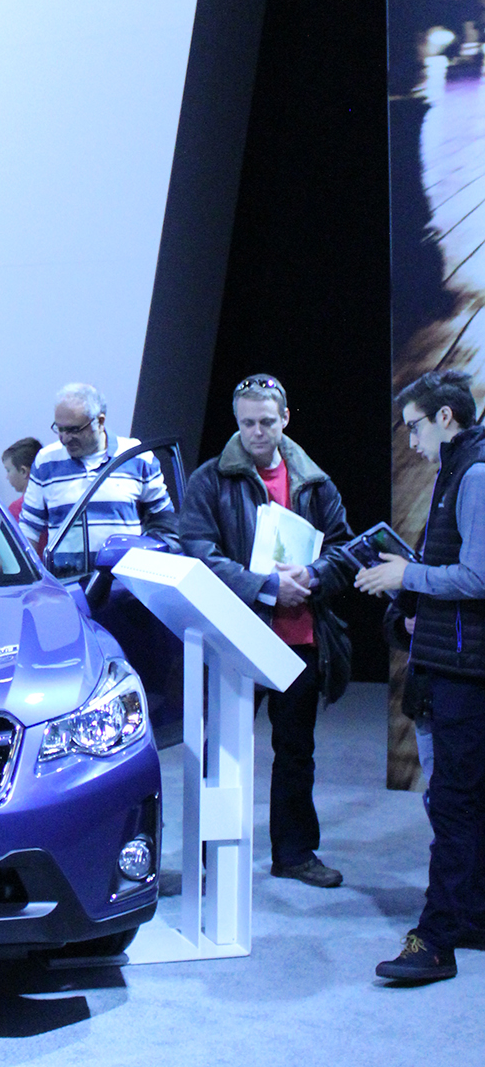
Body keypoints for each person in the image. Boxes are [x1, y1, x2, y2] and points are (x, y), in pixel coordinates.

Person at [180, 372, 353, 887]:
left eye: (266, 422)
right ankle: (210, 859)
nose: (256, 432)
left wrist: (314, 576)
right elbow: (198, 552)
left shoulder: (315, 482)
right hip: (238, 638)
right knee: (221, 751)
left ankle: (295, 854)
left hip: (300, 640)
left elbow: (345, 550)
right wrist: (266, 587)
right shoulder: (210, 480)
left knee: (297, 751)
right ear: (237, 422)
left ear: (285, 419)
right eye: (247, 423)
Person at [356, 369, 485, 985]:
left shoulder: (474, 474)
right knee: (464, 803)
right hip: (452, 664)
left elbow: (479, 577)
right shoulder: (458, 471)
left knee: (454, 806)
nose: (409, 442)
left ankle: (434, 942)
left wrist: (406, 577)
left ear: (445, 418)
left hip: (465, 673)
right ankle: (470, 917)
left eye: (414, 427)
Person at [18, 382, 177, 562]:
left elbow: (164, 521)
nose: (65, 438)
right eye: (60, 429)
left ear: (100, 422)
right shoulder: (46, 461)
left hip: (124, 576)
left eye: (73, 430)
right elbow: (29, 529)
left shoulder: (137, 456)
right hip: (65, 577)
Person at [2, 436, 42, 523]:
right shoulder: (53, 499)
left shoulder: (17, 509)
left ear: (23, 471)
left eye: (8, 470)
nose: (7, 477)